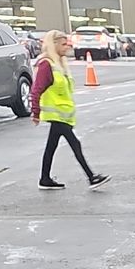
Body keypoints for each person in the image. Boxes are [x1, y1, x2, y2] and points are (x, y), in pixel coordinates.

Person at [30, 30, 108, 190]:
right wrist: (35, 112)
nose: (67, 47)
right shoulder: (47, 64)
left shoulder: (59, 65)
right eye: (64, 44)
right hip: (56, 114)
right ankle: (91, 177)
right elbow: (36, 89)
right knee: (75, 143)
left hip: (62, 114)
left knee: (51, 147)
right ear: (55, 44)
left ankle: (45, 179)